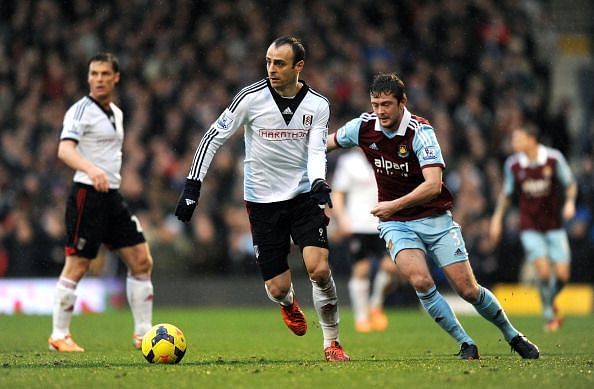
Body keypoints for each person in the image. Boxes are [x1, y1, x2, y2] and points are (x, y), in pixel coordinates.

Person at [326, 72, 539, 360]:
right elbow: (326, 143)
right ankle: (466, 343)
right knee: (421, 281)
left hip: (435, 218)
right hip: (396, 224)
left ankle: (512, 334)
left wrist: (393, 204)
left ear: (403, 102)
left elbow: (433, 185)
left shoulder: (420, 131)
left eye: (386, 104)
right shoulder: (364, 127)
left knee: (468, 289)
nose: (380, 111)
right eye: (375, 104)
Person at [174, 36, 349, 362]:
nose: (271, 68)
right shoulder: (250, 98)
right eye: (268, 61)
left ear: (299, 66)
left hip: (302, 196)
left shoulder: (318, 105)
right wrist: (192, 188)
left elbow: (315, 151)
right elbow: (214, 137)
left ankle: (332, 342)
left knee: (319, 269)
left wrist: (319, 182)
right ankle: (287, 303)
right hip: (262, 202)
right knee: (277, 288)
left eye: (279, 63)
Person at [49, 53, 154, 352]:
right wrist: (91, 169)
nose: (98, 79)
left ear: (115, 77)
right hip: (87, 195)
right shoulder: (80, 111)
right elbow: (64, 150)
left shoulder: (117, 113)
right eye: (93, 74)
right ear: (88, 77)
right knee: (78, 264)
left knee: (141, 261)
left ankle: (143, 334)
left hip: (112, 197)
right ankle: (59, 335)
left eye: (105, 74)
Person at [490, 123, 576, 332]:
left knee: (563, 276)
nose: (514, 144)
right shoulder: (513, 165)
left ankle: (548, 301)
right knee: (545, 274)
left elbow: (570, 183)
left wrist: (569, 202)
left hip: (554, 225)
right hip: (530, 227)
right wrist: (497, 218)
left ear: (531, 139)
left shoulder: (554, 159)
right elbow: (507, 194)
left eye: (518, 139)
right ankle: (548, 310)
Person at [331, 148, 399, 333]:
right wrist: (342, 218)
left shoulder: (387, 157)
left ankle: (375, 305)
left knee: (391, 267)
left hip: (384, 223)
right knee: (361, 269)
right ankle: (361, 317)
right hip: (358, 224)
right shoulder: (349, 162)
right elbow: (337, 192)